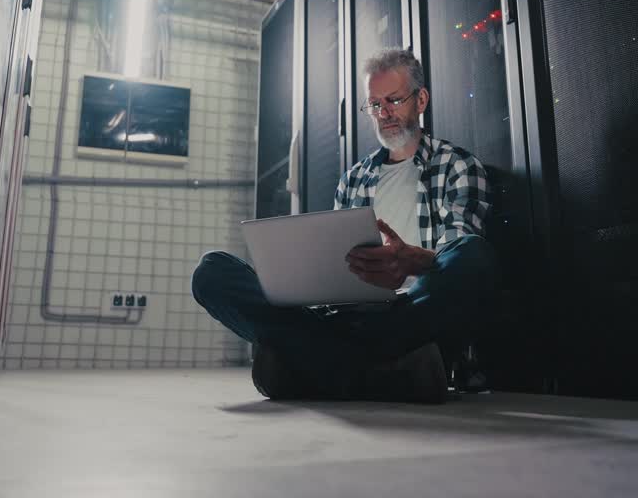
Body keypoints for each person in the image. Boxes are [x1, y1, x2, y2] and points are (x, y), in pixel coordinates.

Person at [191, 48, 499, 403]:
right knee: (211, 272)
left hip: (410, 315)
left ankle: (311, 366)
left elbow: (458, 252)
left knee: (476, 258)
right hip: (346, 316)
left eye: (394, 100)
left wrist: (408, 261)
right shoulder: (353, 178)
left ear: (421, 99)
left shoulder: (456, 165)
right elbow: (336, 264)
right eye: (374, 104)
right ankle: (385, 372)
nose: (383, 114)